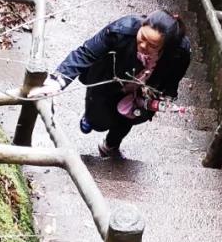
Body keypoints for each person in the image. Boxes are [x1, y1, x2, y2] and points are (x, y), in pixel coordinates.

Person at [30, 11, 191, 159]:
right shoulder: (122, 29)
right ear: (141, 26)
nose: (143, 45)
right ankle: (91, 118)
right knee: (99, 121)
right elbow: (86, 52)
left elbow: (174, 77)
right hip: (109, 78)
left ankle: (111, 145)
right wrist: (57, 81)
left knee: (129, 117)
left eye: (152, 45)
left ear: (166, 47)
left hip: (144, 91)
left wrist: (167, 97)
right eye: (142, 37)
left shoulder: (179, 52)